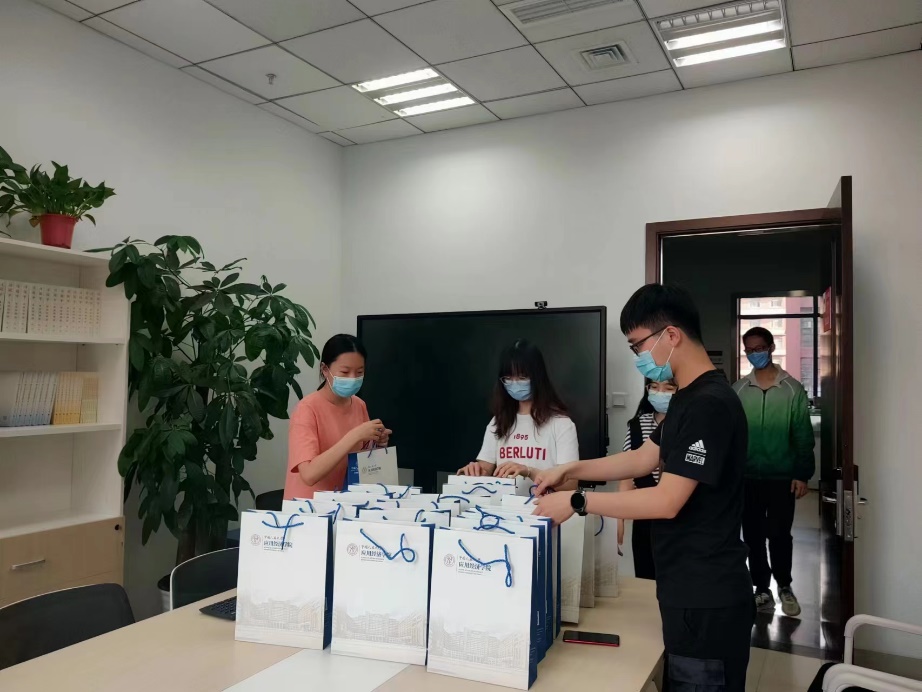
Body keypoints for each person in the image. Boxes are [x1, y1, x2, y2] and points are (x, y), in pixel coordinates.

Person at [532, 284, 753, 692]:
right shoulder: (688, 398)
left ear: (671, 335)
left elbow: (667, 500)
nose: (638, 358)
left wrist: (578, 501)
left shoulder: (710, 404)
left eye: (638, 345)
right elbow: (642, 458)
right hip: (685, 587)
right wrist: (569, 469)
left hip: (707, 596)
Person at [733, 326, 815, 617]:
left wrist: (802, 473)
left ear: (771, 348)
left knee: (780, 534)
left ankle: (785, 585)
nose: (754, 354)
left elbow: (803, 434)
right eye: (749, 350)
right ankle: (761, 588)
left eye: (759, 348)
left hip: (782, 477)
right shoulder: (739, 390)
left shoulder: (792, 389)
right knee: (752, 536)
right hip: (747, 477)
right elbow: (731, 434)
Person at [285, 334, 391, 500]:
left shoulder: (359, 405)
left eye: (359, 372)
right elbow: (309, 474)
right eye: (345, 372)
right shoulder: (306, 409)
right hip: (309, 507)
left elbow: (360, 462)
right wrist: (354, 436)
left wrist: (376, 442)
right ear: (325, 369)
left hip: (345, 501)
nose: (353, 378)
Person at [457, 339, 579, 482]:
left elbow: (570, 483)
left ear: (538, 377)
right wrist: (474, 471)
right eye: (508, 378)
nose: (515, 384)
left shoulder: (561, 424)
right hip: (503, 497)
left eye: (522, 377)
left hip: (544, 497)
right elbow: (485, 469)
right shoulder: (498, 421)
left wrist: (528, 471)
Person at [618, 378, 677, 580]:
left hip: (679, 518)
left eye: (668, 388)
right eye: (654, 387)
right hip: (644, 517)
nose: (660, 393)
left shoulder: (688, 424)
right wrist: (619, 519)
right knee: (646, 578)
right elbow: (626, 476)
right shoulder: (637, 425)